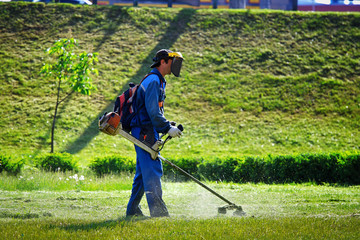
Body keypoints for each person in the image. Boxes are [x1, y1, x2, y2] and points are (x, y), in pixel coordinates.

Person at [126, 49, 184, 218]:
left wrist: (167, 124)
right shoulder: (153, 81)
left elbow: (154, 110)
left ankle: (133, 211)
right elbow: (152, 112)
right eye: (172, 61)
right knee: (152, 170)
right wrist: (167, 128)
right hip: (144, 131)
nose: (175, 65)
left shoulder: (158, 80)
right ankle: (159, 213)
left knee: (143, 173)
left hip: (146, 129)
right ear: (163, 62)